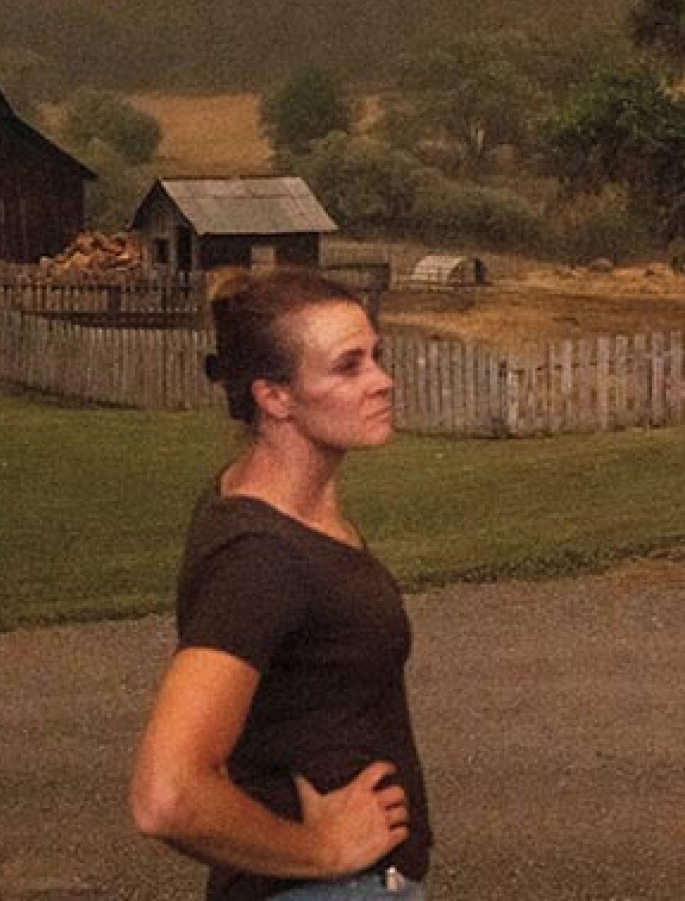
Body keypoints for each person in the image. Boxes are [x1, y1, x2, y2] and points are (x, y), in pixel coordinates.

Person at [131, 267, 431, 899]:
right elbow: (166, 794)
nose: (383, 381)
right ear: (275, 397)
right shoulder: (260, 557)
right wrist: (319, 848)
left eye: (376, 356)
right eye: (348, 367)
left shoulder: (279, 506)